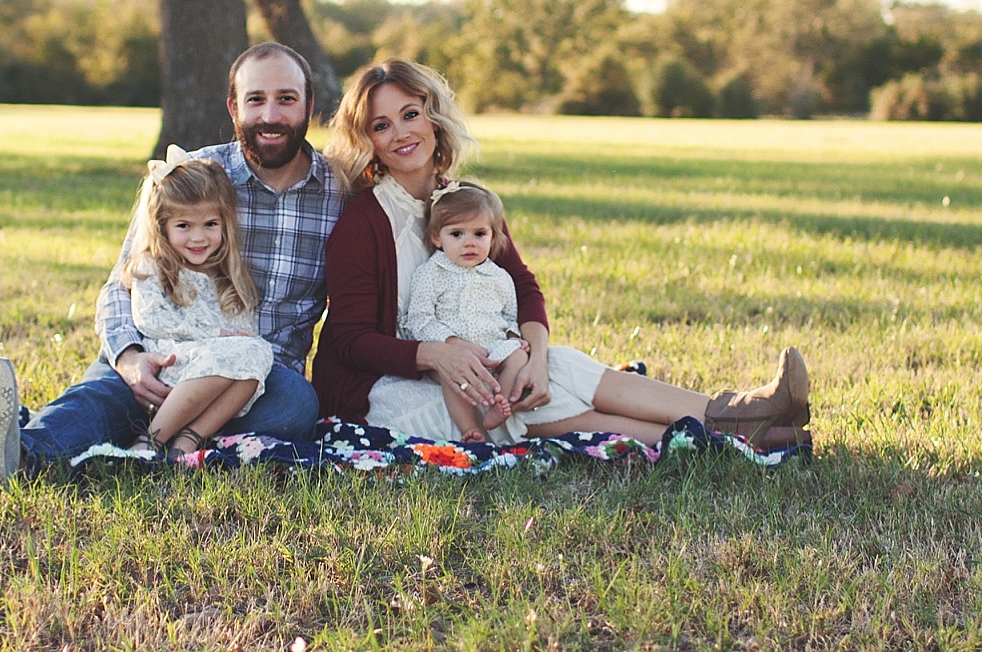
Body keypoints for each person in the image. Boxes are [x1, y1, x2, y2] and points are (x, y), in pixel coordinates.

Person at [312, 58, 810, 448]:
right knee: (523, 404)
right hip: (384, 392)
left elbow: (524, 286)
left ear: (434, 117)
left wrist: (535, 354)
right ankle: (735, 435)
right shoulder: (364, 221)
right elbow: (347, 341)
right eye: (381, 126)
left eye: (410, 114)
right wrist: (435, 355)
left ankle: (736, 415)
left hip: (479, 365)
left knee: (556, 368)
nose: (401, 133)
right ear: (368, 140)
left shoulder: (465, 201)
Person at [0, 42, 343, 479]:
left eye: (286, 100)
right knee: (110, 390)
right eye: (256, 100)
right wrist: (129, 357)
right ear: (234, 108)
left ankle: (146, 439)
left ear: (309, 106)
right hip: (164, 349)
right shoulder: (192, 175)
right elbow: (121, 283)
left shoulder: (339, 190)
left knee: (296, 408)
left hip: (252, 381)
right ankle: (24, 454)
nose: (271, 116)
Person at [119, 148, 275, 458]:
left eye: (210, 225)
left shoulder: (227, 277)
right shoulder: (152, 267)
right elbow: (151, 320)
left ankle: (187, 442)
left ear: (224, 223)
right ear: (162, 226)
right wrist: (218, 338)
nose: (198, 238)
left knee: (259, 351)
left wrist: (236, 340)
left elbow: (242, 333)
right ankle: (149, 441)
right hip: (171, 364)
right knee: (243, 352)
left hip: (219, 374)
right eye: (183, 226)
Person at [394, 182, 531, 441]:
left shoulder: (499, 276)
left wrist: (513, 337)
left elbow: (509, 316)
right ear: (437, 237)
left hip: (492, 347)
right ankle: (470, 428)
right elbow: (420, 319)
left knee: (518, 358)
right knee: (452, 375)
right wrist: (453, 343)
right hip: (448, 349)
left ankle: (496, 400)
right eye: (457, 234)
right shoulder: (432, 273)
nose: (469, 243)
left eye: (479, 234)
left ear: (493, 237)